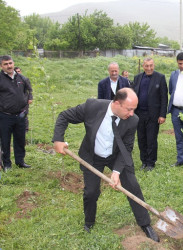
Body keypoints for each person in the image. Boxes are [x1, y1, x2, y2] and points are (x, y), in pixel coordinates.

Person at [52, 88, 159, 242]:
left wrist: (116, 171)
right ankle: (89, 221)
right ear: (117, 103)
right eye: (129, 109)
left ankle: (145, 223)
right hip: (93, 156)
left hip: (116, 155)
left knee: (132, 186)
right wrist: (58, 139)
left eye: (134, 109)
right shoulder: (92, 106)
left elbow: (126, 148)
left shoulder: (132, 120)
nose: (131, 113)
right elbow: (64, 116)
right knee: (91, 192)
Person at [132, 58, 168, 171]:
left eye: (151, 65)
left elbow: (164, 98)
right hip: (139, 114)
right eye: (147, 66)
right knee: (141, 139)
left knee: (151, 139)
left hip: (153, 115)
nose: (149, 68)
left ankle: (151, 163)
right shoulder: (137, 78)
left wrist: (162, 115)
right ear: (143, 66)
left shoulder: (160, 78)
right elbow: (133, 94)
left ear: (154, 65)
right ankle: (144, 161)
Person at [0, 56, 33, 172]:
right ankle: (7, 164)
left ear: (13, 63)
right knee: (5, 141)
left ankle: (20, 161)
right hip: (5, 115)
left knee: (20, 139)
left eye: (10, 63)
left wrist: (26, 104)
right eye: (5, 64)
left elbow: (28, 91)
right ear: (1, 66)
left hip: (20, 115)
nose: (9, 66)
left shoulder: (22, 78)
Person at [14, 66, 33, 132]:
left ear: (21, 71)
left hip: (24, 100)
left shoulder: (24, 79)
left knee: (24, 114)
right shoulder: (11, 80)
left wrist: (30, 98)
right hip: (15, 101)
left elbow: (30, 89)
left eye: (19, 71)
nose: (17, 73)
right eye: (16, 72)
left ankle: (25, 129)